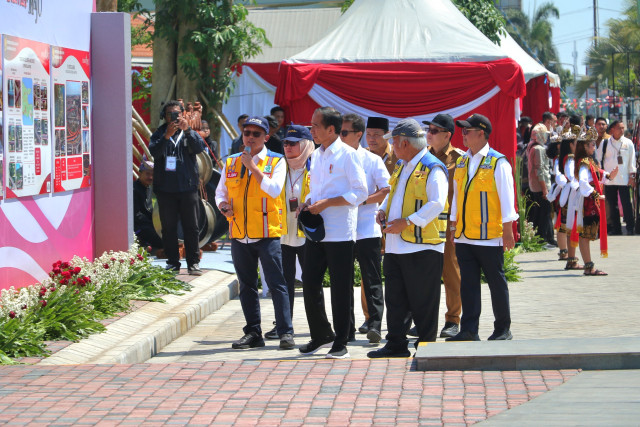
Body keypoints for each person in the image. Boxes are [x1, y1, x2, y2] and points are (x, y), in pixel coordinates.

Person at [367, 118, 448, 358]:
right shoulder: (403, 164)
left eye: (393, 140)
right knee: (396, 299)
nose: (391, 145)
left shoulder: (432, 166)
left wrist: (408, 221)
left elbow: (437, 203)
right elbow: (393, 193)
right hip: (396, 245)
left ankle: (426, 346)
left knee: (424, 300)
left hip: (422, 245)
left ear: (404, 142)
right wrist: (381, 210)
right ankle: (396, 343)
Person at [215, 115, 295, 350]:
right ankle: (253, 332)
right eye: (246, 132)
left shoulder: (276, 161)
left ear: (266, 138)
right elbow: (220, 193)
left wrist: (252, 167)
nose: (250, 137)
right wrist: (223, 206)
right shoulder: (231, 162)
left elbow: (273, 190)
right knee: (247, 285)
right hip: (239, 231)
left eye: (256, 134)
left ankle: (285, 332)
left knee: (276, 284)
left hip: (266, 232)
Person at [298, 107, 367, 359]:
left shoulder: (348, 155)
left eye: (316, 126)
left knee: (340, 287)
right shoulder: (316, 155)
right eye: (311, 125)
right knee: (309, 282)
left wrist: (327, 203)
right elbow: (316, 189)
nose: (311, 130)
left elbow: (360, 193)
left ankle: (341, 340)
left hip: (339, 233)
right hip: (316, 232)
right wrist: (309, 202)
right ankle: (320, 334)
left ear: (331, 129)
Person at [446, 114, 518, 342]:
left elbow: (507, 198)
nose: (463, 134)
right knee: (468, 285)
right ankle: (469, 330)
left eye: (467, 131)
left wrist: (508, 231)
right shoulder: (462, 161)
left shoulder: (498, 162)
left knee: (496, 283)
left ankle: (502, 328)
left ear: (481, 133)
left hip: (489, 235)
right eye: (463, 131)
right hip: (465, 235)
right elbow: (457, 196)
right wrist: (452, 225)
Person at [342, 113, 390, 344]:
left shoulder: (372, 160)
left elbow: (385, 189)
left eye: (344, 133)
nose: (339, 137)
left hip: (367, 226)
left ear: (357, 135)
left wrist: (362, 200)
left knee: (371, 278)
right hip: (340, 228)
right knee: (343, 279)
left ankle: (375, 325)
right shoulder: (335, 158)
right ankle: (346, 327)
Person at [263, 124, 315, 340]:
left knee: (312, 283)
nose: (288, 147)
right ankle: (283, 324)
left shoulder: (317, 166)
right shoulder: (277, 166)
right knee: (282, 283)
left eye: (293, 143)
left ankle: (316, 326)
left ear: (305, 145)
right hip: (282, 232)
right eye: (285, 143)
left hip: (306, 233)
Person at [149, 100, 206, 275]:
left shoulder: (189, 132)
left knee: (191, 227)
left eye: (176, 114)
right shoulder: (159, 133)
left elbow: (199, 148)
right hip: (166, 189)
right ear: (164, 117)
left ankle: (193, 263)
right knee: (168, 227)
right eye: (169, 115)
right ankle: (173, 262)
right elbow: (154, 152)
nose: (173, 117)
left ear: (182, 114)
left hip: (188, 188)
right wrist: (166, 136)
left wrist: (187, 130)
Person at [422, 113, 465, 338]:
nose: (429, 134)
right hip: (424, 223)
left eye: (434, 131)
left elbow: (460, 195)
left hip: (448, 224)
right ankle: (424, 319)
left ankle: (453, 320)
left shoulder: (460, 158)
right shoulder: (422, 157)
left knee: (451, 273)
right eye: (428, 130)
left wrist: (456, 225)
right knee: (424, 275)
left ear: (447, 135)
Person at [568, 128, 618, 275]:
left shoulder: (589, 161)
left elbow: (597, 175)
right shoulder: (584, 162)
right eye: (591, 145)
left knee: (587, 234)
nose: (594, 147)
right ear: (585, 146)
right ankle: (589, 266)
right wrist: (596, 195)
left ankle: (589, 265)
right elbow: (584, 182)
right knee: (585, 234)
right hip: (587, 202)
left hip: (590, 201)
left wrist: (609, 176)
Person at [597, 120, 637, 235]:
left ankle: (630, 228)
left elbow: (632, 161)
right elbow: (599, 159)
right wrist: (602, 175)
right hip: (610, 179)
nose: (622, 130)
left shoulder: (628, 143)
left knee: (626, 204)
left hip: (624, 179)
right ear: (612, 130)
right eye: (619, 128)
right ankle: (616, 229)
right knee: (612, 204)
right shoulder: (605, 143)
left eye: (623, 128)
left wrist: (632, 176)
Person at [554, 130, 583, 269]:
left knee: (567, 226)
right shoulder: (571, 158)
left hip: (567, 193)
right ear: (571, 144)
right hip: (572, 194)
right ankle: (571, 258)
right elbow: (572, 176)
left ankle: (570, 256)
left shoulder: (564, 157)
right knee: (571, 227)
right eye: (576, 143)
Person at [527, 123, 555, 245]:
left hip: (535, 185)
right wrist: (545, 189)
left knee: (541, 213)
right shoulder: (538, 149)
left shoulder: (531, 146)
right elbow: (540, 170)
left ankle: (545, 238)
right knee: (545, 213)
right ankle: (545, 239)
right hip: (540, 186)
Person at [133, 160, 163, 250]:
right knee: (164, 241)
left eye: (153, 175)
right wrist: (153, 223)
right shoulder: (134, 189)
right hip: (139, 227)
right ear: (140, 174)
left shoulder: (149, 188)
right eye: (147, 174)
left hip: (149, 224)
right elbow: (136, 215)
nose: (150, 177)